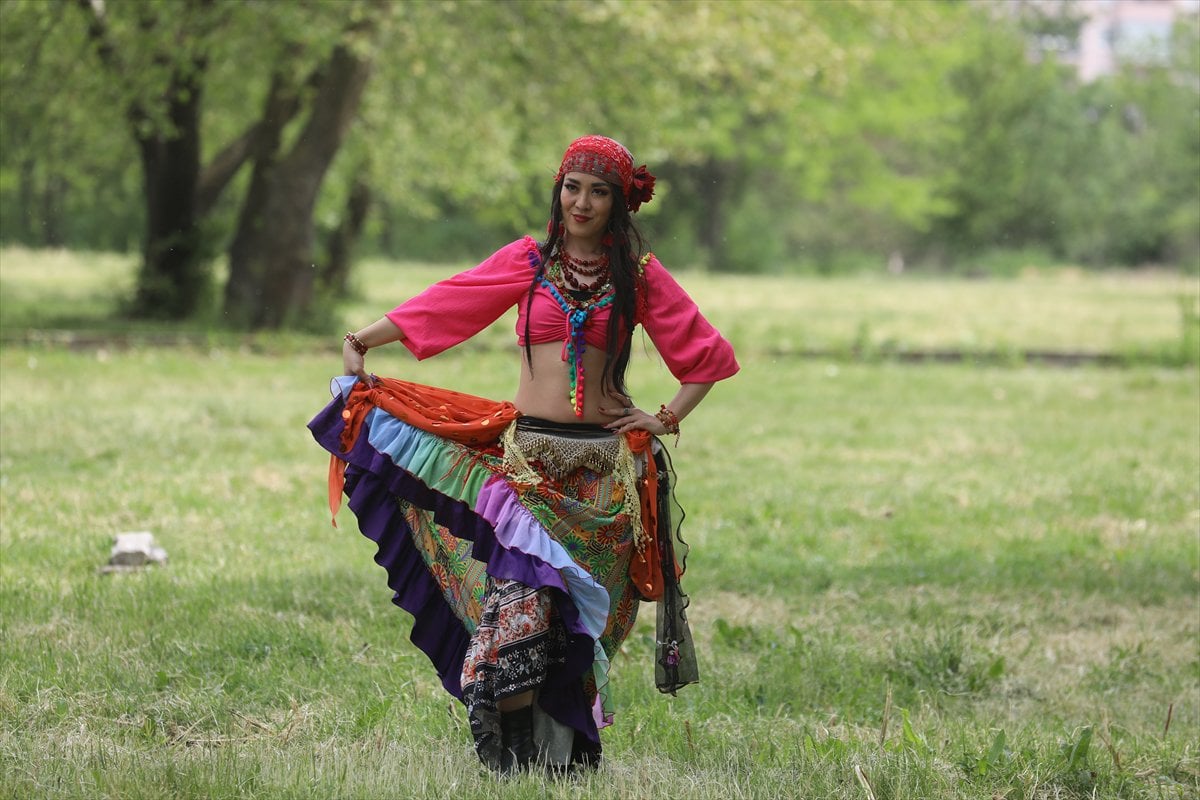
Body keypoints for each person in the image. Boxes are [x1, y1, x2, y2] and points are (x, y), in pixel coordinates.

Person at [308, 135, 739, 774]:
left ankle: (558, 759)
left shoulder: (639, 277)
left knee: (574, 621)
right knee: (520, 603)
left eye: (598, 192)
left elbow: (708, 357)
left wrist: (665, 416)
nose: (582, 202)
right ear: (558, 190)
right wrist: (361, 340)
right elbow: (451, 300)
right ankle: (510, 760)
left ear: (620, 203)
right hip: (528, 466)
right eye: (572, 187)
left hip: (602, 475)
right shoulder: (530, 261)